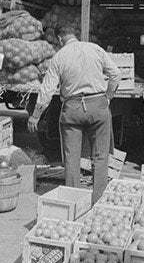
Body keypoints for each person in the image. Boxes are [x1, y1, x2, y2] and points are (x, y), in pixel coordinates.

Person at [27, 20, 121, 204]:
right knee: (100, 156)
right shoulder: (96, 49)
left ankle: (73, 200)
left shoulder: (59, 57)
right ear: (74, 34)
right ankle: (98, 199)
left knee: (71, 158)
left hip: (72, 109)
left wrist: (35, 115)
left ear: (60, 38)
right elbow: (116, 74)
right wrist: (108, 97)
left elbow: (46, 90)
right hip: (98, 106)